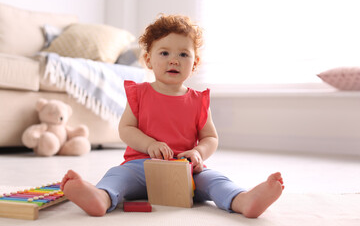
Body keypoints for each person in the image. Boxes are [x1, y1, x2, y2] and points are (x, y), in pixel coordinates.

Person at [60, 14, 284, 218]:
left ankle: (243, 200)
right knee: (117, 176)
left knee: (216, 180)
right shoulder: (139, 94)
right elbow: (125, 129)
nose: (174, 60)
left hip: (187, 171)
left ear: (194, 63)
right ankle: (101, 197)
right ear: (148, 60)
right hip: (141, 166)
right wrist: (149, 145)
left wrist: (198, 153)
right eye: (164, 53)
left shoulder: (198, 100)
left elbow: (210, 138)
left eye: (183, 54)